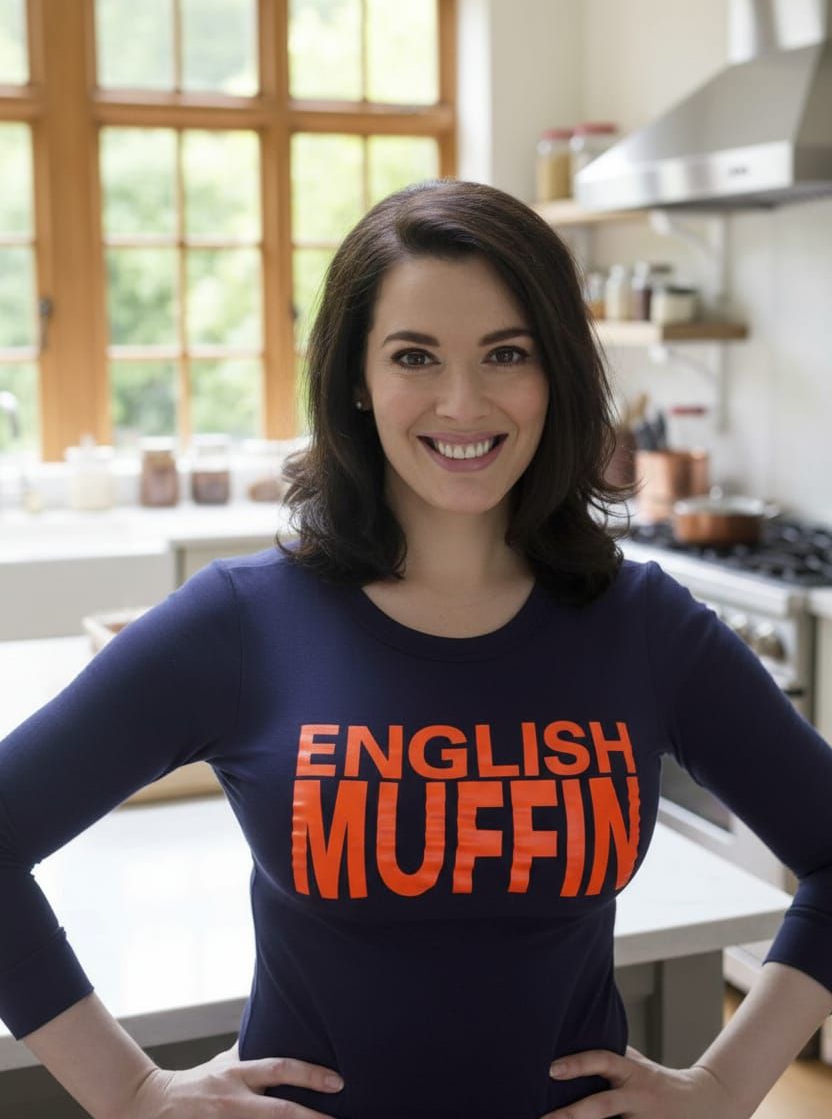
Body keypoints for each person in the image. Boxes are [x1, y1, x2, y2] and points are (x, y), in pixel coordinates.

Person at [1, 177, 831, 1119]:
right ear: (357, 377)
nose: (463, 402)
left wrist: (725, 1087)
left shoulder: (643, 625)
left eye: (505, 354)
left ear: (555, 370)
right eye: (415, 356)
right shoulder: (243, 623)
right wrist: (133, 1094)